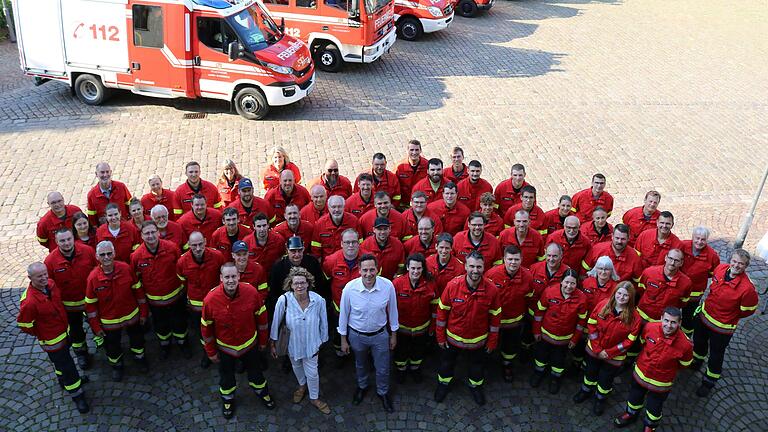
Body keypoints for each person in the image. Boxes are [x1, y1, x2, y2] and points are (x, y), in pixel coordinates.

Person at [201, 263, 275, 419]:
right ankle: (228, 399)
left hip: (250, 345)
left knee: (256, 374)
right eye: (226, 277)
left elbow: (262, 321)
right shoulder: (210, 300)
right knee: (226, 377)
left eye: (233, 276)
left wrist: (263, 342)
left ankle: (263, 392)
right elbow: (206, 330)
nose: (230, 280)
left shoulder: (251, 292)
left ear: (239, 276)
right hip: (225, 348)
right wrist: (211, 352)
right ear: (221, 278)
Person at [17, 262, 90, 413]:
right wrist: (42, 333)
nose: (44, 278)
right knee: (68, 366)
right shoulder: (29, 302)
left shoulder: (51, 284)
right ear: (30, 278)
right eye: (39, 276)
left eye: (45, 274)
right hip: (52, 341)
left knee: (61, 364)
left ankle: (62, 379)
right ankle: (77, 394)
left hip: (64, 332)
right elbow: (24, 324)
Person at [434, 252, 500, 406]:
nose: (475, 270)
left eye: (479, 267)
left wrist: (492, 342)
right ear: (465, 266)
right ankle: (443, 385)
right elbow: (442, 312)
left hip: (478, 341)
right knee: (446, 365)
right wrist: (440, 337)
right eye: (471, 266)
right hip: (452, 338)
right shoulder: (453, 286)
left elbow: (495, 318)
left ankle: (476, 387)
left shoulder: (492, 290)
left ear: (484, 267)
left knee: (477, 368)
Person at [692, 249, 758, 398]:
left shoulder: (747, 289)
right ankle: (697, 360)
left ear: (745, 267)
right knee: (699, 342)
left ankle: (709, 381)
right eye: (734, 261)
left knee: (716, 356)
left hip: (722, 329)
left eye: (741, 264)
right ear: (730, 261)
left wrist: (729, 316)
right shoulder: (721, 269)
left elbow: (747, 311)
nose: (736, 265)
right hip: (704, 318)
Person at [613, 307, 692, 432]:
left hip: (660, 383)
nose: (669, 325)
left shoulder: (686, 345)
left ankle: (650, 426)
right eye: (666, 320)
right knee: (634, 397)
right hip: (641, 373)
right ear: (661, 319)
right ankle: (631, 414)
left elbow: (684, 364)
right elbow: (643, 341)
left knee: (654, 407)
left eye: (673, 322)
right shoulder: (650, 327)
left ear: (679, 323)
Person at [338, 254, 399, 413]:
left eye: (372, 269)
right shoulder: (350, 289)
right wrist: (343, 340)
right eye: (365, 270)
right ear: (359, 270)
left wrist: (393, 334)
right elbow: (343, 315)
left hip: (380, 335)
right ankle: (362, 386)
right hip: (357, 335)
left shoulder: (388, 286)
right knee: (360, 364)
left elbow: (392, 311)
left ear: (377, 270)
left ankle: (383, 392)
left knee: (383, 367)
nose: (368, 274)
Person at [573, 282, 641, 416]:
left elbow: (629, 341)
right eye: (619, 293)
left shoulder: (635, 317)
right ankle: (585, 390)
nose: (621, 297)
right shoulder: (603, 305)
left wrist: (609, 353)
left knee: (606, 379)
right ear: (615, 293)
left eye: (625, 295)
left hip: (614, 356)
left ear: (631, 298)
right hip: (594, 350)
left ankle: (600, 398)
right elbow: (591, 324)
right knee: (590, 373)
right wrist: (598, 348)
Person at [269, 267, 330, 415]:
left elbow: (324, 322)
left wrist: (322, 340)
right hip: (292, 345)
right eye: (296, 283)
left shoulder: (318, 300)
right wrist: (273, 343)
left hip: (312, 345)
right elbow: (276, 322)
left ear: (308, 283)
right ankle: (302, 385)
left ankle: (314, 398)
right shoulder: (283, 301)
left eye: (303, 283)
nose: (300, 286)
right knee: (296, 366)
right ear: (291, 285)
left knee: (313, 373)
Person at [85, 241, 149, 381]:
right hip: (109, 323)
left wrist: (143, 313)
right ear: (97, 257)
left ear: (114, 254)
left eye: (109, 253)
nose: (106, 257)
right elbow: (90, 307)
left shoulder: (126, 269)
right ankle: (117, 366)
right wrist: (96, 327)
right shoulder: (93, 278)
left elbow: (139, 292)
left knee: (138, 341)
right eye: (103, 254)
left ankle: (140, 359)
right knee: (112, 348)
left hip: (132, 317)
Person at [131, 221, 188, 359]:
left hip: (175, 296)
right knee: (161, 325)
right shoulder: (137, 256)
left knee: (179, 321)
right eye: (147, 233)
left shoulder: (171, 248)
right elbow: (136, 279)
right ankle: (165, 344)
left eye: (153, 232)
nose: (150, 236)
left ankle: (183, 343)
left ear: (158, 233)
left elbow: (181, 269)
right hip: (154, 301)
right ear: (142, 236)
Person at [44, 229, 98, 369]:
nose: (66, 243)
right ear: (56, 242)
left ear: (73, 238)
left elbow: (99, 271)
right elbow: (49, 286)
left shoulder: (88, 251)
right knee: (75, 331)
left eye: (68, 239)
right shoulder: (50, 261)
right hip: (69, 306)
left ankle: (104, 345)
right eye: (62, 240)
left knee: (98, 324)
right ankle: (82, 354)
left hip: (91, 300)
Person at [531, 269, 587, 394]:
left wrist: (575, 339)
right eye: (567, 282)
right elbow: (539, 313)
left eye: (573, 283)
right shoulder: (549, 292)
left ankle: (555, 379)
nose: (569, 286)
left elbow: (581, 322)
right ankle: (538, 373)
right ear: (561, 281)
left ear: (577, 284)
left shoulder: (582, 299)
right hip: (545, 336)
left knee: (559, 362)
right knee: (541, 357)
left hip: (564, 340)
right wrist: (536, 331)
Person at [176, 231, 227, 368]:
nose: (198, 248)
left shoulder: (217, 256)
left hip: (216, 303)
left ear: (205, 241)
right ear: (189, 245)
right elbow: (183, 282)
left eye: (200, 244)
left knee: (220, 328)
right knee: (202, 332)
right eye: (194, 245)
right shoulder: (182, 262)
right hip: (196, 306)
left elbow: (224, 279)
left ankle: (223, 352)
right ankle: (207, 353)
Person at [485, 245, 534, 383]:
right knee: (489, 344)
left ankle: (507, 365)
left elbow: (529, 297)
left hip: (514, 321)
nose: (513, 262)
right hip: (493, 321)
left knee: (510, 347)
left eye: (516, 259)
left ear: (521, 259)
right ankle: (485, 364)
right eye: (510, 259)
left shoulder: (528, 277)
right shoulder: (492, 274)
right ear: (503, 259)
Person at [392, 253, 436, 383]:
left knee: (418, 351)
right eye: (413, 268)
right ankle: (401, 370)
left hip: (421, 328)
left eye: (419, 268)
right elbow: (390, 309)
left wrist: (433, 326)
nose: (415, 271)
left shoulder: (430, 284)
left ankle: (415, 368)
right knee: (400, 352)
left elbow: (434, 308)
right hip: (402, 329)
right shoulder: (397, 284)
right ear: (407, 268)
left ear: (423, 269)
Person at [322, 229, 361, 364]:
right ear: (341, 244)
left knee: (359, 335)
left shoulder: (368, 260)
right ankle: (340, 355)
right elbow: (326, 281)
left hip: (360, 311)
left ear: (359, 243)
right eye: (347, 242)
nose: (351, 245)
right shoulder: (331, 261)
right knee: (339, 335)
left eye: (354, 242)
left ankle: (360, 355)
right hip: (339, 310)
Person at [268, 236, 326, 314]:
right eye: (293, 251)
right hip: (287, 310)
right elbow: (274, 293)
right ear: (287, 250)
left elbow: (321, 287)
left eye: (299, 250)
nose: (297, 254)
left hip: (311, 307)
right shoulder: (278, 267)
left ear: (304, 249)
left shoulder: (312, 262)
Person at [679, 226, 720, 336]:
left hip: (694, 295)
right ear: (692, 237)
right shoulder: (682, 246)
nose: (699, 242)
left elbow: (712, 273)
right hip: (677, 290)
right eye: (697, 238)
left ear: (707, 240)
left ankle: (685, 337)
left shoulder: (712, 256)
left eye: (703, 239)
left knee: (688, 318)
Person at [636, 249, 692, 324]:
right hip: (641, 316)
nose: (672, 263)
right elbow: (640, 290)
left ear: (681, 263)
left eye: (676, 261)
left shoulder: (686, 283)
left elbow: (682, 303)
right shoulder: (649, 272)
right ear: (666, 258)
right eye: (670, 258)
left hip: (663, 323)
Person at [86, 162, 132, 226]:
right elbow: (92, 219)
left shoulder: (121, 187)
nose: (105, 175)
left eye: (107, 172)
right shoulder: (91, 195)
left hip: (124, 226)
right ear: (96, 174)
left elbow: (130, 206)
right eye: (102, 172)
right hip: (106, 231)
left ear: (111, 172)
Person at [426, 233, 465, 297]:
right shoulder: (427, 262)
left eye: (447, 248)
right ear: (436, 247)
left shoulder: (460, 268)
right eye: (441, 247)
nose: (444, 251)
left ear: (451, 248)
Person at [395, 139, 429, 208]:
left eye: (417, 150)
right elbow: (393, 185)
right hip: (403, 205)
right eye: (411, 150)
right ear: (407, 151)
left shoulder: (427, 166)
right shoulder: (399, 167)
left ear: (420, 151)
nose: (414, 152)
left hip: (420, 204)